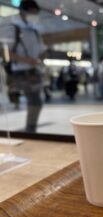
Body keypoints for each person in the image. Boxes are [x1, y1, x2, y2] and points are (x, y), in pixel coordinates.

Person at [2, 0, 46, 132]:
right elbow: (5, 52)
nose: (35, 15)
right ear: (23, 11)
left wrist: (41, 58)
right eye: (33, 12)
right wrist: (27, 60)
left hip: (32, 71)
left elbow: (42, 49)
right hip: (20, 72)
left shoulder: (34, 31)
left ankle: (31, 128)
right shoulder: (13, 28)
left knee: (36, 101)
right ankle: (30, 129)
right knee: (35, 101)